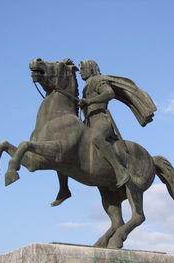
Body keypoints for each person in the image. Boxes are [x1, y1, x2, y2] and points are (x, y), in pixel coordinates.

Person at [51, 60, 156, 206]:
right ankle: (64, 189)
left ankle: (120, 171)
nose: (81, 71)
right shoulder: (86, 86)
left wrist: (89, 101)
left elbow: (109, 93)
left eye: (83, 69)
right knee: (65, 149)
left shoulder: (98, 80)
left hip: (101, 120)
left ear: (91, 69)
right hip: (88, 122)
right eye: (80, 69)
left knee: (97, 138)